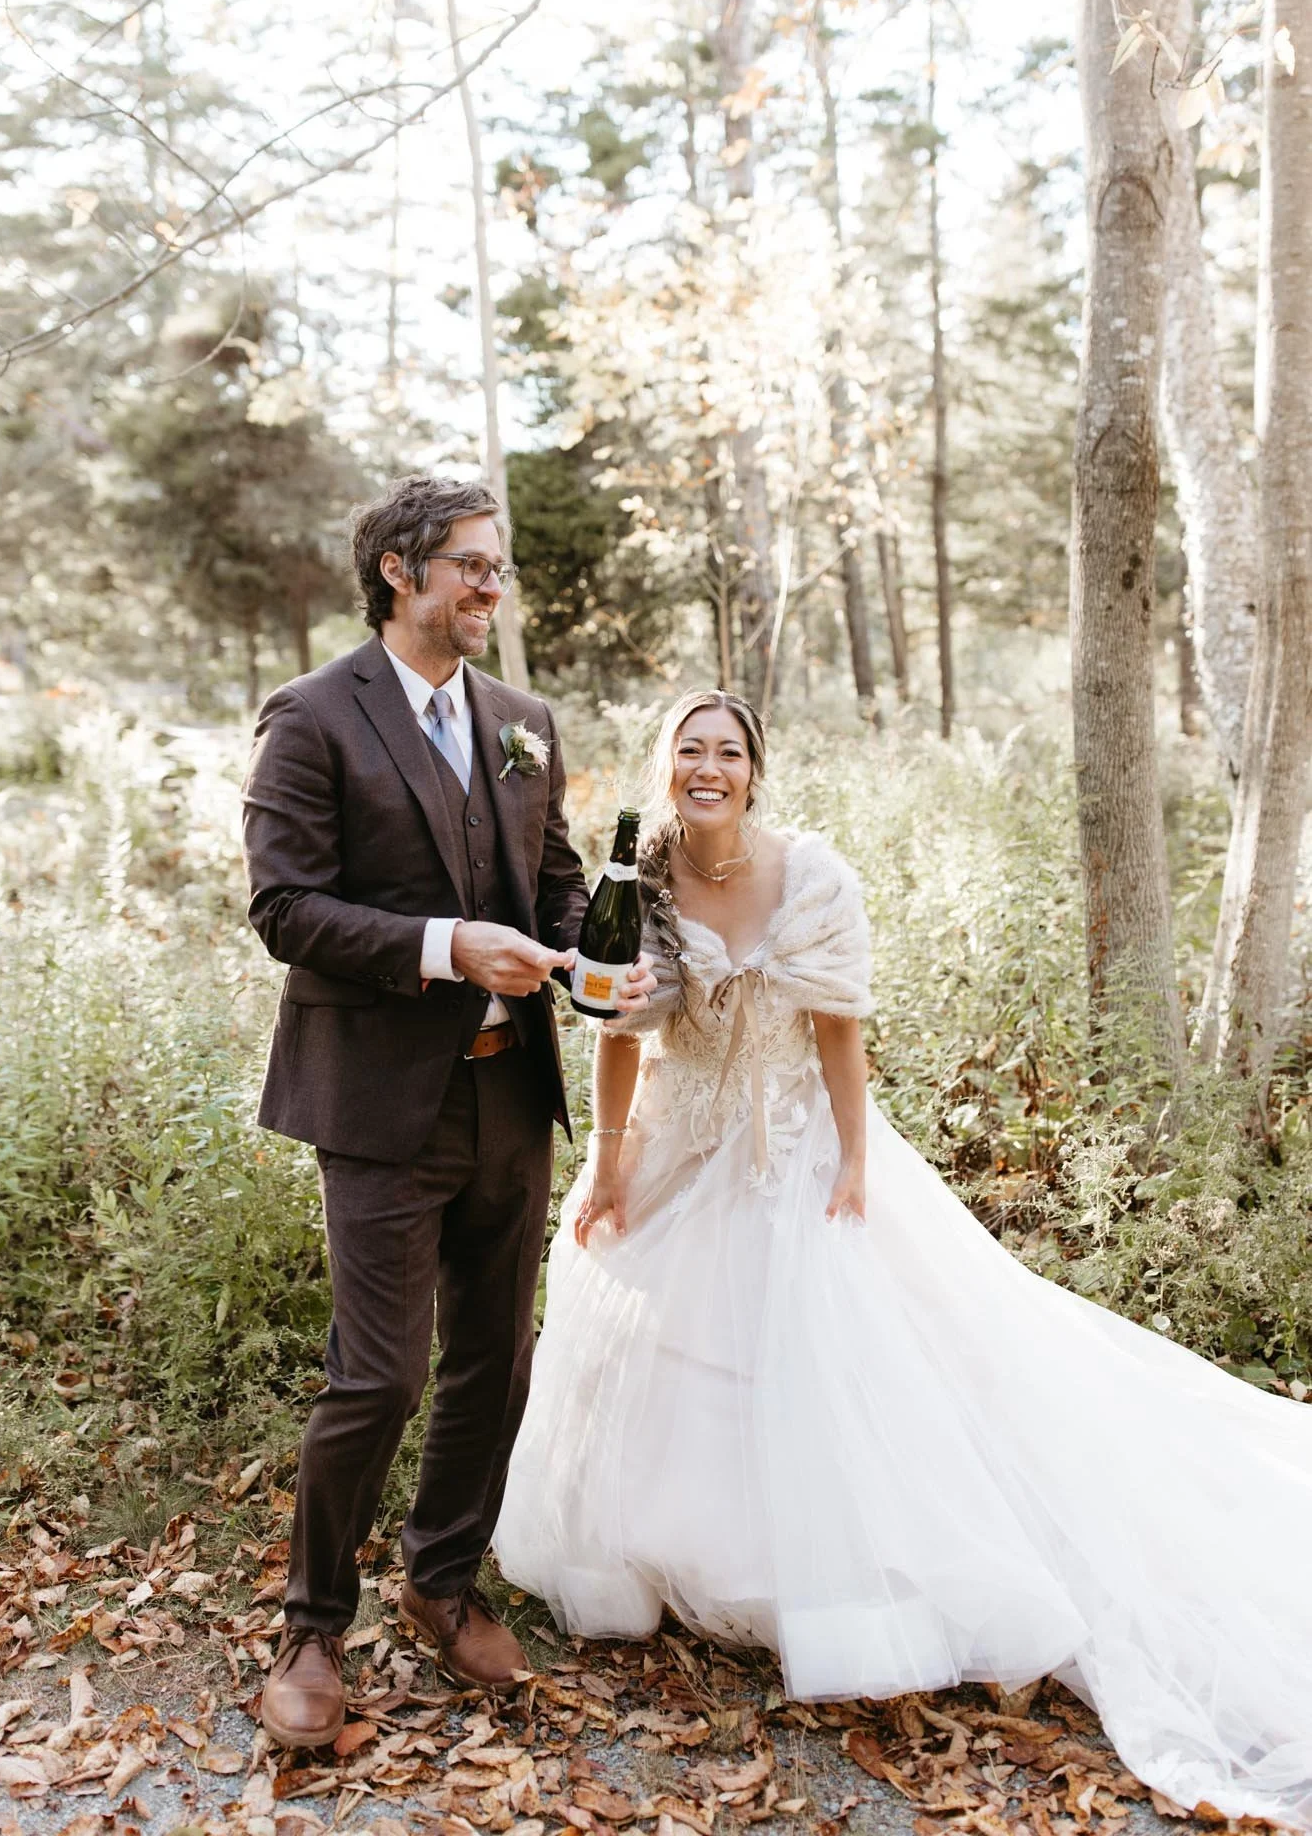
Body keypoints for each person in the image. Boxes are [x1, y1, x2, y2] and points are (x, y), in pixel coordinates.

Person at [494, 689, 1312, 1831]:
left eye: (728, 751)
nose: (708, 767)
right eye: (690, 750)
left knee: (825, 1342)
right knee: (662, 1323)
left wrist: (852, 1161)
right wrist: (616, 1164)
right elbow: (622, 1037)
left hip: (794, 1144)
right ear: (663, 765)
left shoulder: (815, 876)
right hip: (686, 1146)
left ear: (755, 769)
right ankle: (694, 1556)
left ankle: (829, 1579)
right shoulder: (638, 882)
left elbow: (840, 1029)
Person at [241, 474, 654, 1749]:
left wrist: (594, 969)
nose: (491, 587)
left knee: (499, 1357)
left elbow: (553, 886)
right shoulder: (311, 717)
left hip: (508, 1097)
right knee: (377, 1373)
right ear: (398, 574)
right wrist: (439, 944)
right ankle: (314, 1626)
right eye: (470, 566)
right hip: (376, 1103)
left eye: (497, 567)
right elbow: (284, 908)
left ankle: (441, 1579)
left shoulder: (525, 720)